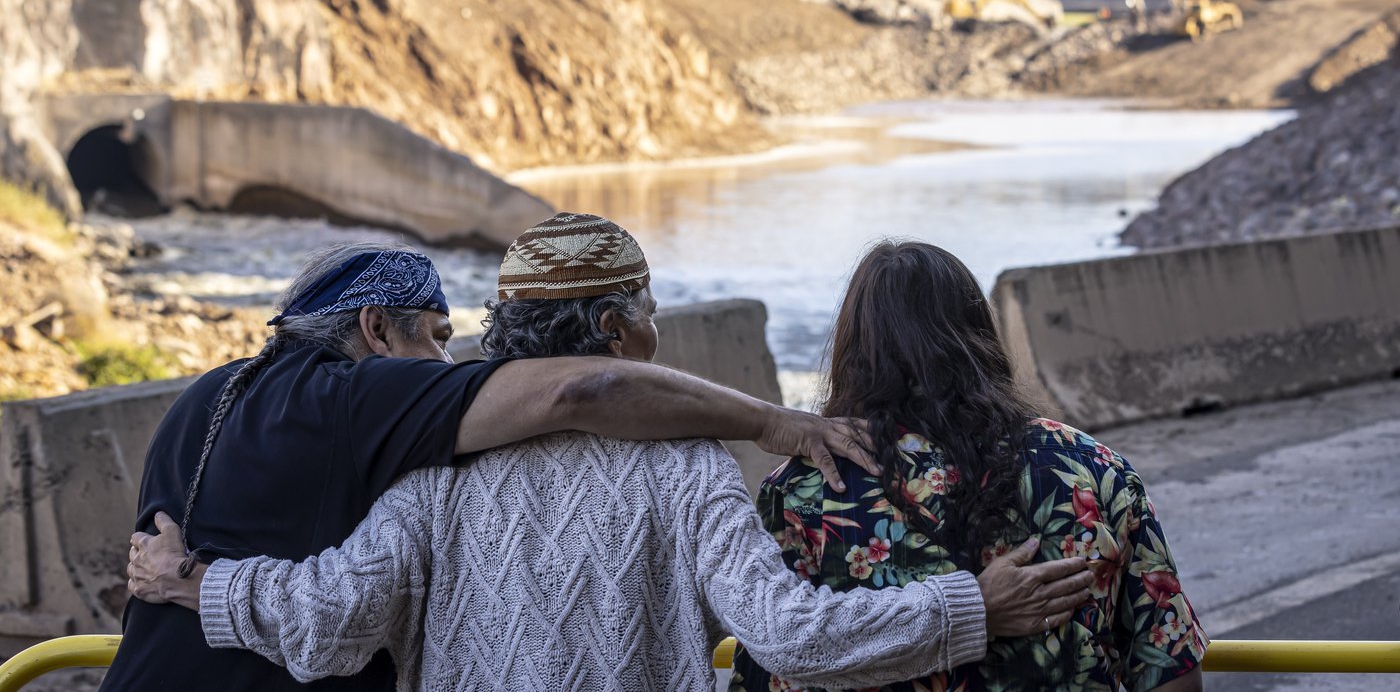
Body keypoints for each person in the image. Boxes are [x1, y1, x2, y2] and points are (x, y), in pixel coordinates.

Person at [127, 214, 1095, 690]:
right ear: (613, 329)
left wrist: (194, 582)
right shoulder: (681, 466)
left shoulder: (431, 470)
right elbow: (790, 634)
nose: (655, 333)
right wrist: (971, 605)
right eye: (649, 313)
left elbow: (329, 616)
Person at [730, 240, 1208, 692]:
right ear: (980, 335)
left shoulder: (802, 492)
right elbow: (1169, 669)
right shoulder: (1094, 469)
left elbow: (771, 668)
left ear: (853, 350)